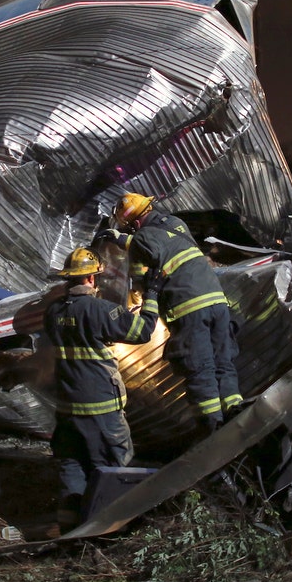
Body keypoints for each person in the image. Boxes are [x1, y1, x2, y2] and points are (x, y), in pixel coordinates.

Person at [100, 192, 243, 431]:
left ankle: (212, 426)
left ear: (134, 224)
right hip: (217, 301)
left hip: (188, 307)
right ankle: (234, 410)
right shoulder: (177, 224)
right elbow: (158, 248)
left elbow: (143, 270)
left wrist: (121, 242)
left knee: (199, 368)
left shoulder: (141, 239)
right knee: (223, 361)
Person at [43, 247, 161, 527]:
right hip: (102, 410)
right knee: (111, 468)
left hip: (67, 409)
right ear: (92, 280)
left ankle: (71, 527)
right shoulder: (100, 310)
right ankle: (113, 528)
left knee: (72, 466)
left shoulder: (52, 313)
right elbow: (143, 331)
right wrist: (151, 294)